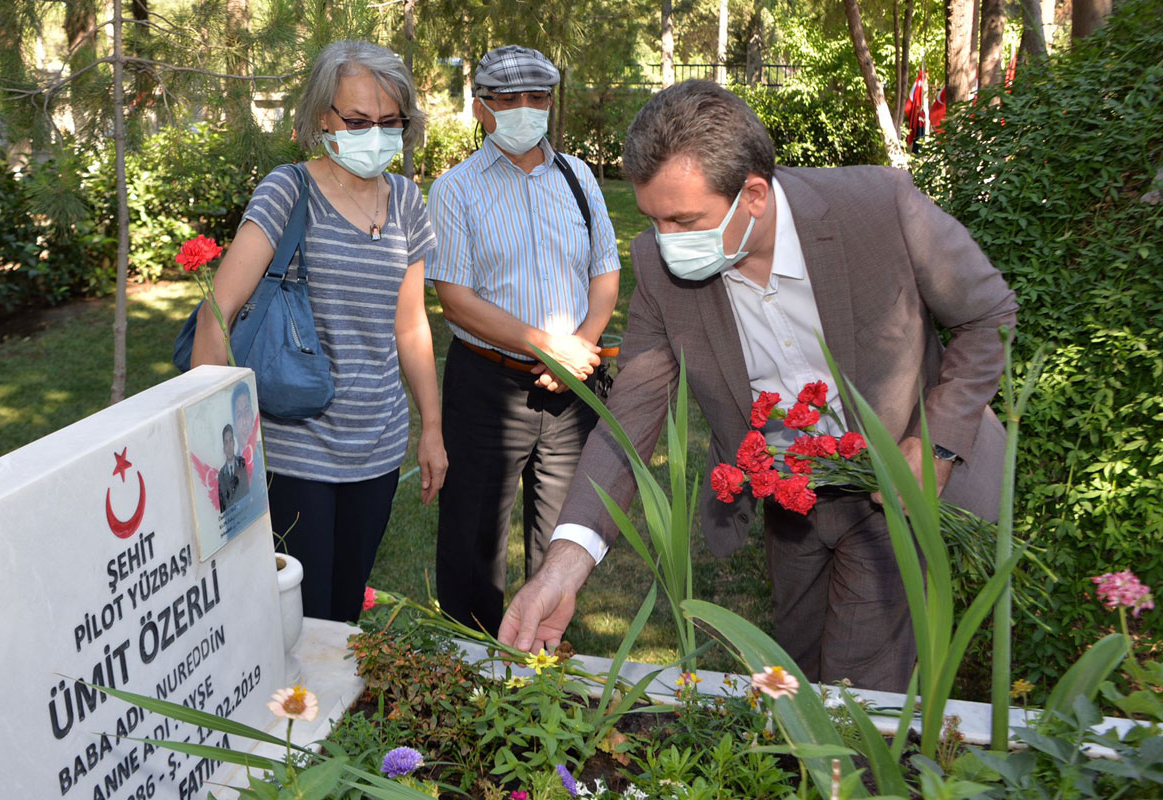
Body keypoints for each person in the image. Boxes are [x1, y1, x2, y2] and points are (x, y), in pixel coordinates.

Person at [499, 80, 1017, 692]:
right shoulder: (662, 267)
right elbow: (631, 414)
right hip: (790, 505)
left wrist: (935, 448)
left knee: (857, 694)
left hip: (893, 495)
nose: (665, 242)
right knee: (794, 678)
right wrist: (564, 564)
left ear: (753, 195)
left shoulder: (878, 208)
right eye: (654, 219)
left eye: (683, 220)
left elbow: (988, 316)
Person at [191, 40, 447, 623]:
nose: (374, 134)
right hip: (294, 448)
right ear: (321, 118)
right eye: (357, 120)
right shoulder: (289, 189)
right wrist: (218, 452)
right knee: (299, 621)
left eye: (390, 122)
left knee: (345, 610)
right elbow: (217, 314)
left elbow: (410, 324)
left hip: (378, 447)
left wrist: (431, 428)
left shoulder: (407, 199)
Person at [426, 45, 621, 634]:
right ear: (481, 107)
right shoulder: (456, 189)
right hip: (487, 387)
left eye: (537, 98)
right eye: (508, 99)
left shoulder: (579, 177)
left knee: (563, 540)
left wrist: (579, 348)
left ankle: (542, 674)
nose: (524, 110)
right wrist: (547, 347)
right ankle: (470, 669)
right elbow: (455, 299)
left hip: (572, 384)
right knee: (472, 540)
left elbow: (605, 273)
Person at [217, 424, 249, 512]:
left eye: (231, 440)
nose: (229, 446)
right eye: (226, 442)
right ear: (223, 447)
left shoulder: (242, 463)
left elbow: (246, 492)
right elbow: (223, 507)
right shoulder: (221, 475)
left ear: (234, 443)